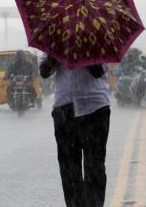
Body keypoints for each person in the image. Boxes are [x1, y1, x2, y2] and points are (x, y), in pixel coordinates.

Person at [40, 54, 110, 207]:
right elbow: (44, 72)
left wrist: (84, 53)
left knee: (95, 168)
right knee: (69, 171)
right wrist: (56, 55)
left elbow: (98, 71)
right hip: (64, 109)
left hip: (95, 108)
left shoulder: (95, 37)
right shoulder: (55, 38)